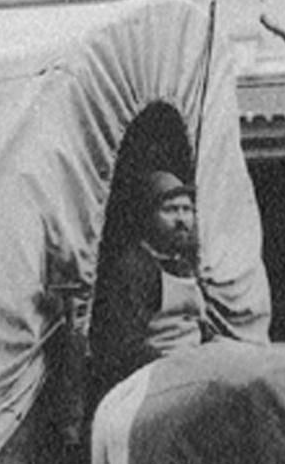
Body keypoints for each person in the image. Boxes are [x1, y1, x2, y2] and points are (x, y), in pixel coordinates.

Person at [87, 167, 214, 400]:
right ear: (148, 216)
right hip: (156, 381)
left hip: (193, 370)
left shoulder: (184, 266)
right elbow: (123, 346)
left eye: (187, 210)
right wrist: (178, 367)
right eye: (170, 210)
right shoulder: (135, 268)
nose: (181, 220)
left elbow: (198, 327)